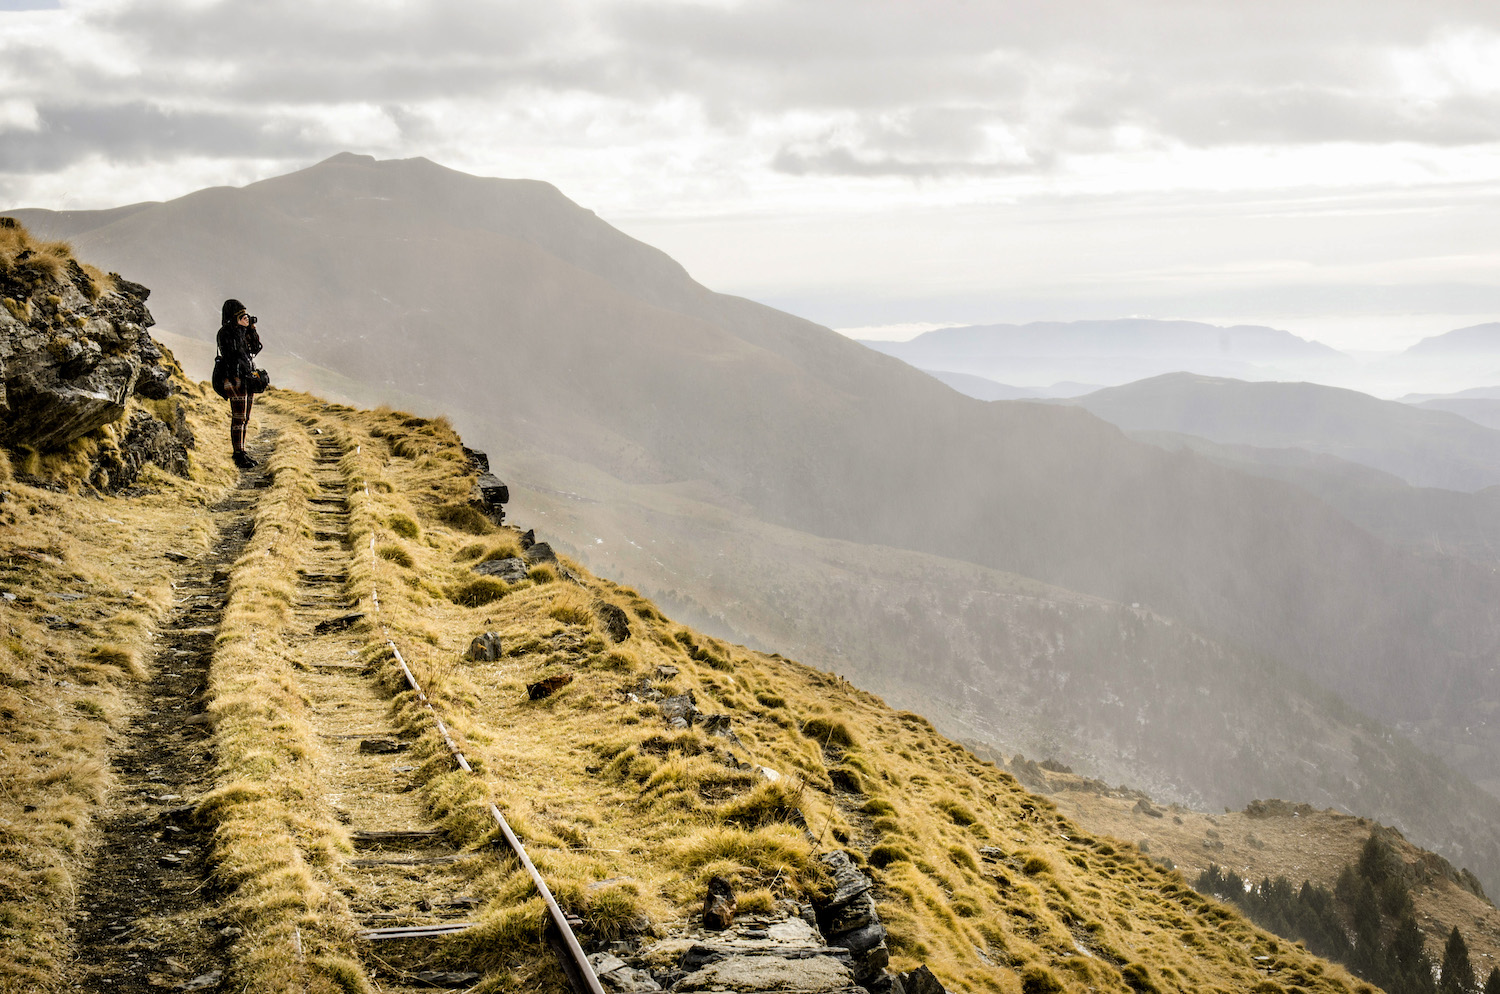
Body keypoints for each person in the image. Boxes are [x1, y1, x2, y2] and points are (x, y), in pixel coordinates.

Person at [215, 298, 263, 468]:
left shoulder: (242, 332)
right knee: (239, 418)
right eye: (241, 315)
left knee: (246, 418)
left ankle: (241, 452)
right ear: (233, 316)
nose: (245, 317)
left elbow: (255, 348)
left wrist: (251, 330)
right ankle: (238, 454)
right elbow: (234, 352)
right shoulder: (225, 333)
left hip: (246, 379)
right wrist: (242, 330)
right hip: (233, 379)